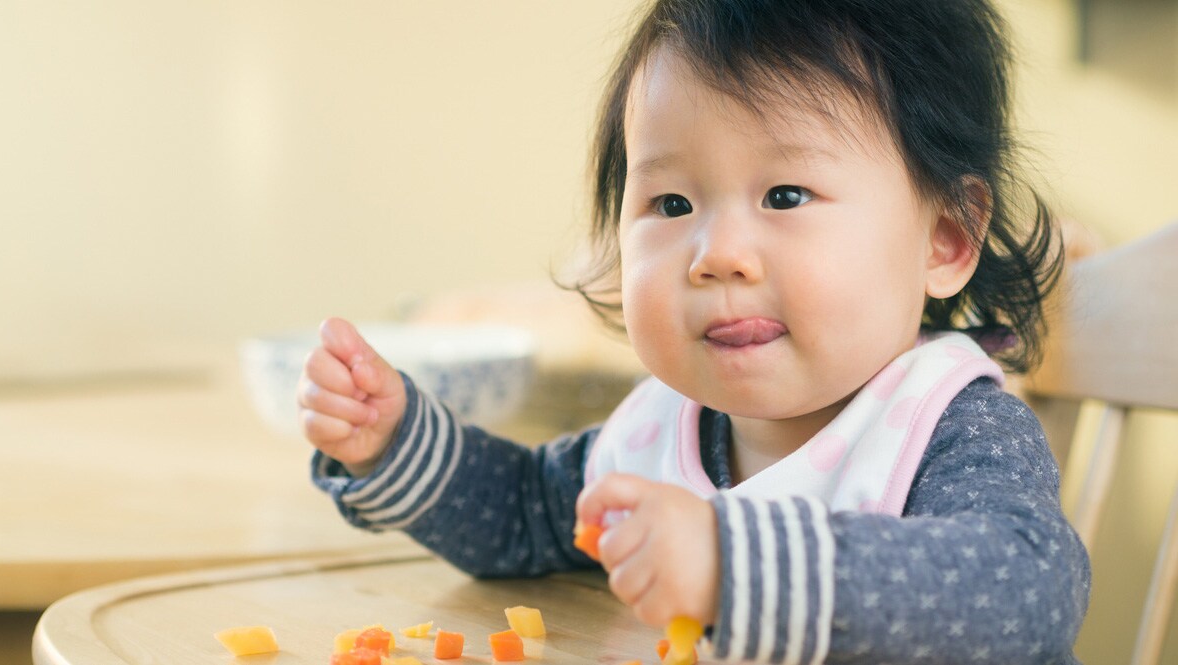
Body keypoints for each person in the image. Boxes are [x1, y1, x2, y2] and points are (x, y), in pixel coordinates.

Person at [299, 0, 1090, 662]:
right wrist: (395, 441)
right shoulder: (659, 430)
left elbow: (1026, 590)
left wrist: (733, 562)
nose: (717, 256)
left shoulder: (946, 425)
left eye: (784, 195)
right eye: (671, 205)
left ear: (944, 237)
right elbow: (520, 515)